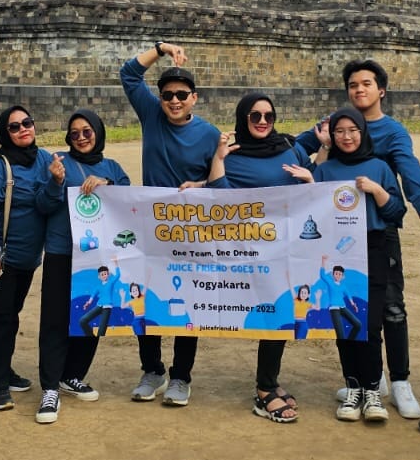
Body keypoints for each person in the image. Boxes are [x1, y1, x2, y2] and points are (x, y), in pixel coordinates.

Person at [296, 59, 420, 420]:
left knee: (388, 306)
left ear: (381, 90)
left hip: (377, 231)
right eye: (353, 85)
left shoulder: (392, 133)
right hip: (339, 238)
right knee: (346, 311)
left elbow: (408, 170)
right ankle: (365, 381)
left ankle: (399, 380)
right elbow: (296, 149)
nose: (359, 90)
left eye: (366, 84)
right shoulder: (334, 125)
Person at [288, 104, 405, 424]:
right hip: (337, 254)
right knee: (342, 322)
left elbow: (396, 212)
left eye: (352, 130)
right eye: (339, 131)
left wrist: (376, 190)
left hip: (373, 248)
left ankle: (371, 390)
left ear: (362, 132)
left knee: (370, 324)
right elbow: (313, 211)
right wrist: (312, 183)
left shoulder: (379, 167)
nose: (346, 136)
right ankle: (352, 386)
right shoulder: (326, 170)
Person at [118, 41, 221, 405]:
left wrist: (202, 184)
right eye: (167, 95)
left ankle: (181, 376)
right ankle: (152, 370)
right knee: (146, 299)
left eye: (181, 95)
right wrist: (161, 49)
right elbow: (129, 74)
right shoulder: (152, 116)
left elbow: (224, 184)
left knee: (187, 302)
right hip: (150, 227)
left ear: (195, 98)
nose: (174, 101)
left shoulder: (210, 135)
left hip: (190, 233)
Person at [204, 93, 315, 423]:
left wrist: (314, 167)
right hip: (252, 251)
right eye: (255, 116)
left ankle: (269, 381)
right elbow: (219, 199)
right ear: (243, 118)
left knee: (282, 311)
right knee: (272, 313)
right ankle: (265, 389)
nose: (263, 121)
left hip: (287, 248)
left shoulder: (289, 148)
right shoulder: (233, 155)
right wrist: (219, 159)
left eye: (268, 115)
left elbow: (314, 186)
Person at [35, 109, 132, 422]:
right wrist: (55, 182)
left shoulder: (112, 167)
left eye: (87, 131)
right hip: (64, 252)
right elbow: (43, 205)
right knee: (55, 319)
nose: (81, 138)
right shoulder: (59, 162)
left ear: (99, 132)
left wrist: (107, 183)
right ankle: (50, 386)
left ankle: (72, 374)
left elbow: (129, 200)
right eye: (74, 133)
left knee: (91, 316)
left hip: (98, 258)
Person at [0, 106, 55, 413]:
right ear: (5, 134)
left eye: (27, 123)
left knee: (9, 315)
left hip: (27, 258)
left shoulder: (44, 160)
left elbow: (48, 200)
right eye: (14, 127)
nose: (23, 130)